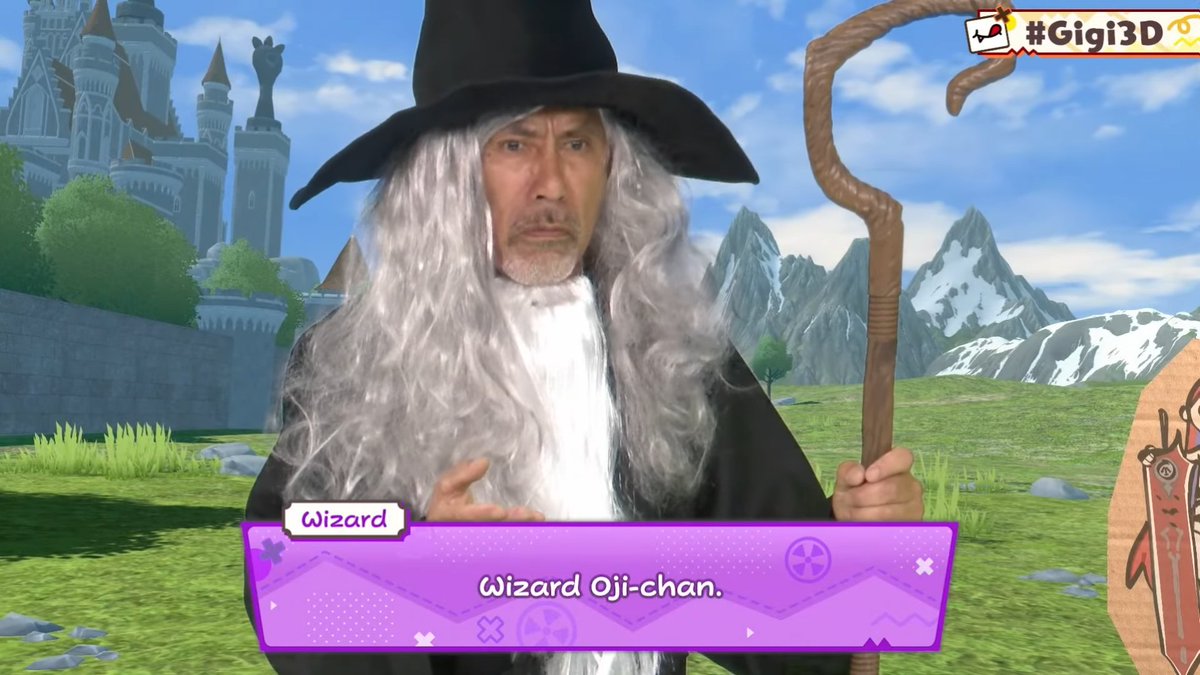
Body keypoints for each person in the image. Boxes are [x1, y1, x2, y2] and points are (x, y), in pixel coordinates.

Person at [243, 1, 924, 674]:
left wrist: (859, 543)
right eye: (514, 144)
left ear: (612, 168)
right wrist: (422, 559)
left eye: (575, 144)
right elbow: (288, 581)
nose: (551, 186)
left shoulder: (670, 352)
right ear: (445, 178)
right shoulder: (355, 363)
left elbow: (789, 608)